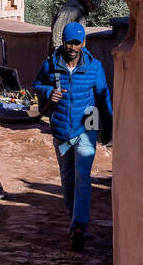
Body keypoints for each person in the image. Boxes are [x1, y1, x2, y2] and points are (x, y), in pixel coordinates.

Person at [33, 22, 112, 250]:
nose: (73, 47)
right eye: (69, 42)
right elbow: (36, 84)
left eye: (77, 43)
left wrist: (107, 128)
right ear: (63, 42)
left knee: (82, 177)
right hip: (60, 129)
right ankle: (73, 216)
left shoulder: (94, 67)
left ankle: (79, 226)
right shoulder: (50, 65)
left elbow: (103, 98)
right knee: (67, 178)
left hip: (87, 127)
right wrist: (49, 91)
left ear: (83, 43)